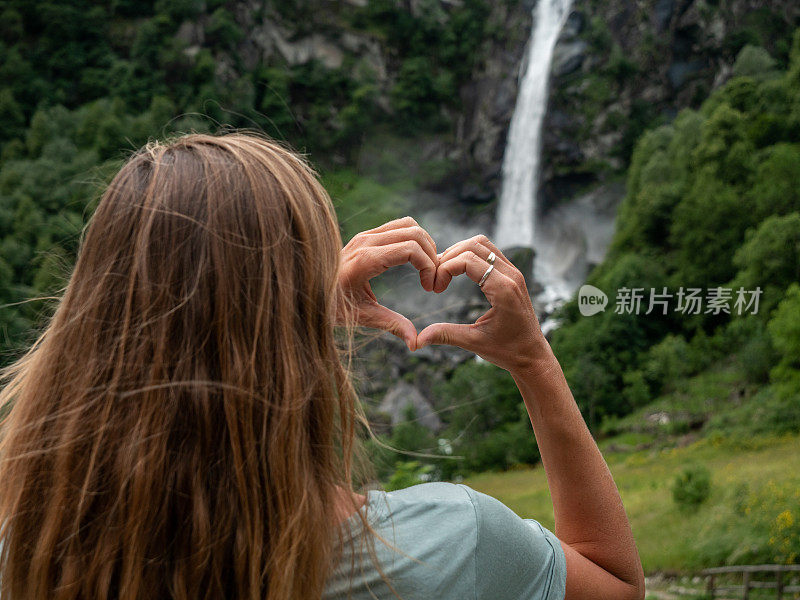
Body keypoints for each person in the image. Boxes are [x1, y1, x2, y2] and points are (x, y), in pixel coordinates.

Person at [0, 133, 645, 600]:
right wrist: (531, 357)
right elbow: (615, 584)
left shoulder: (26, 542)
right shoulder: (443, 550)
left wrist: (287, 311)